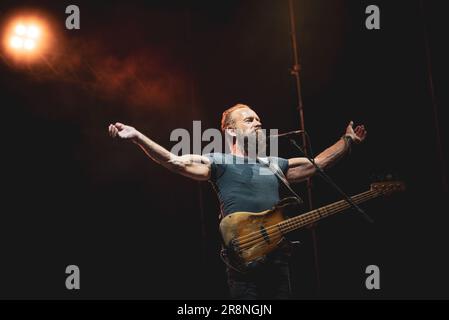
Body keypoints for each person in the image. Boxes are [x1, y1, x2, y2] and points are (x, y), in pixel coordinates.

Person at [108, 103, 367, 299]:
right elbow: (175, 162)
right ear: (231, 130)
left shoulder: (273, 165)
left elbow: (318, 164)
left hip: (278, 260)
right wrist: (137, 136)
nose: (257, 123)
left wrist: (347, 140)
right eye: (249, 119)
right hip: (243, 263)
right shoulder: (219, 161)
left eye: (258, 119)